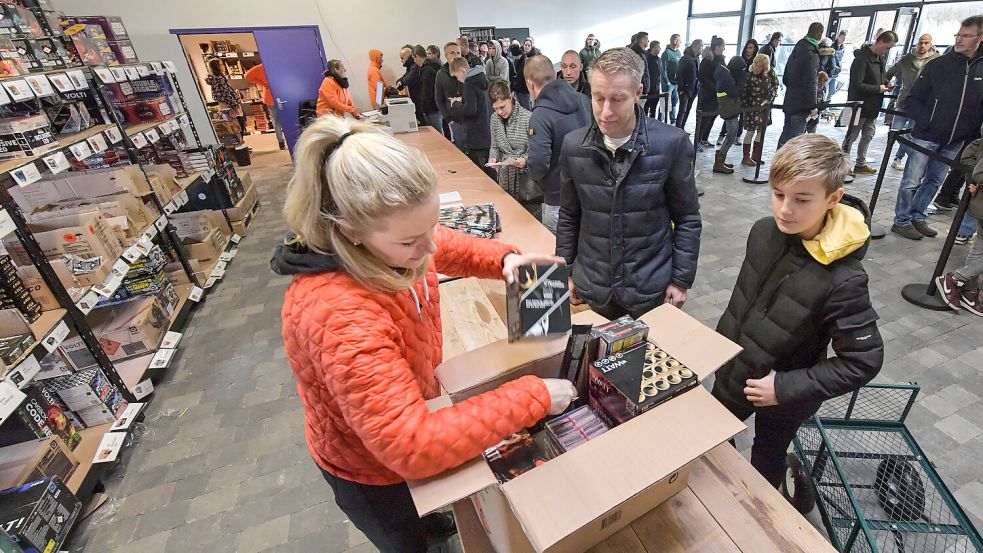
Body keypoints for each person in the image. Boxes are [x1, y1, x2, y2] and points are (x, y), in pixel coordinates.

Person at [273, 116, 575, 553]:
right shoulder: (337, 314)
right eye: (413, 240)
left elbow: (450, 247)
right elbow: (410, 444)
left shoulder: (397, 243)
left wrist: (505, 260)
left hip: (403, 413)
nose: (429, 249)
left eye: (429, 227)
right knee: (402, 538)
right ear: (348, 230)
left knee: (423, 512)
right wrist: (533, 396)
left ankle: (428, 524)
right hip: (369, 470)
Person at [712, 133, 883, 489]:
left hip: (781, 393)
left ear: (833, 198)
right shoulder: (763, 232)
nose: (784, 210)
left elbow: (863, 360)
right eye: (778, 195)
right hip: (732, 368)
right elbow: (748, 302)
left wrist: (785, 387)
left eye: (802, 199)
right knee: (713, 440)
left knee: (767, 457)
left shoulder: (844, 279)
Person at [557, 47, 701, 319]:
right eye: (598, 98)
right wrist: (565, 271)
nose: (605, 112)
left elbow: (688, 218)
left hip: (649, 288)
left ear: (638, 93)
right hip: (593, 285)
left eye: (617, 99)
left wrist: (680, 280)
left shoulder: (672, 144)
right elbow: (569, 215)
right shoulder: (573, 145)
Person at [892, 16, 983, 241]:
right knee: (911, 181)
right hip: (927, 135)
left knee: (934, 181)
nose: (959, 39)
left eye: (966, 35)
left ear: (980, 38)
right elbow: (912, 99)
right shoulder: (940, 64)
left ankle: (917, 215)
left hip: (956, 140)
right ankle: (901, 220)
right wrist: (927, 122)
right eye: (958, 35)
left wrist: (970, 134)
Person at [525, 54, 592, 233]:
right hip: (588, 194)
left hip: (557, 199)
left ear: (530, 84)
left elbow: (539, 164)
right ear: (555, 75)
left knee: (560, 255)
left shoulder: (540, 115)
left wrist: (535, 176)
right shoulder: (583, 100)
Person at [842, 31, 898, 176]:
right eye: (886, 47)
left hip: (872, 106)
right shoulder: (861, 59)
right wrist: (878, 88)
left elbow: (880, 77)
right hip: (858, 105)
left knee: (868, 135)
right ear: (879, 42)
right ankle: (843, 167)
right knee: (851, 136)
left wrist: (886, 83)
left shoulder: (880, 59)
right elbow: (857, 85)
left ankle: (860, 164)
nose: (887, 51)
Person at [885, 34, 939, 170]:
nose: (923, 46)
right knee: (895, 131)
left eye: (926, 43)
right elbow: (889, 72)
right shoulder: (907, 59)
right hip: (904, 100)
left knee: (911, 133)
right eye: (921, 42)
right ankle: (912, 156)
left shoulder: (936, 60)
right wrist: (887, 84)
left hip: (922, 104)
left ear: (931, 44)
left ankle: (900, 158)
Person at [487, 81, 536, 214]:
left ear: (510, 98)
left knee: (526, 218)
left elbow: (536, 149)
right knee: (507, 215)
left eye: (502, 107)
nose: (499, 112)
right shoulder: (494, 119)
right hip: (504, 177)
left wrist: (525, 160)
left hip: (525, 178)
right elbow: (494, 146)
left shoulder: (529, 118)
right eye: (495, 108)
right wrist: (493, 158)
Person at [777, 23, 823, 149]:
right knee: (795, 141)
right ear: (820, 35)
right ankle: (788, 167)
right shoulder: (812, 54)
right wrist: (813, 105)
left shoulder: (796, 50)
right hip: (801, 104)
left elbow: (785, 77)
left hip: (790, 100)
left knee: (785, 135)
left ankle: (777, 164)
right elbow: (811, 82)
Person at [448, 57, 492, 170]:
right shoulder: (480, 79)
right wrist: (463, 101)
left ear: (462, 71)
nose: (457, 79)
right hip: (485, 131)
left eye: (456, 75)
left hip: (475, 135)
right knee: (487, 167)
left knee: (480, 170)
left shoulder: (469, 83)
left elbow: (470, 110)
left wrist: (455, 104)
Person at [741, 53, 778, 166]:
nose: (756, 68)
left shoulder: (770, 73)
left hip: (765, 108)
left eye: (760, 66)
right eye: (755, 65)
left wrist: (769, 99)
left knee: (761, 132)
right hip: (752, 108)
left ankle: (755, 156)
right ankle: (746, 157)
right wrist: (746, 107)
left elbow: (775, 86)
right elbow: (744, 93)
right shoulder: (749, 75)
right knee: (750, 132)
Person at [712, 53, 743, 174]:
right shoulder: (726, 77)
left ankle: (720, 159)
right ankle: (719, 162)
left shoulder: (724, 73)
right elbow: (734, 92)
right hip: (729, 109)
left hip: (728, 108)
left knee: (730, 136)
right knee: (731, 136)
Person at [242, 63, 286, 150]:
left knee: (276, 121)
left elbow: (247, 76)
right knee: (285, 120)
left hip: (270, 98)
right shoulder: (279, 65)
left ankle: (281, 142)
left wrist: (261, 83)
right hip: (281, 96)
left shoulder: (261, 67)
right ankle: (288, 140)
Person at [206, 59, 246, 138]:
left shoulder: (218, 78)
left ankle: (240, 143)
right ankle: (239, 144)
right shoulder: (219, 79)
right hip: (229, 106)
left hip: (228, 105)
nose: (223, 66)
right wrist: (234, 105)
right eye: (221, 64)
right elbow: (225, 94)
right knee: (238, 125)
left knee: (237, 124)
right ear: (217, 67)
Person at [697, 38, 725, 149]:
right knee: (704, 119)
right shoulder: (708, 60)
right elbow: (702, 76)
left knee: (712, 117)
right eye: (723, 46)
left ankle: (704, 139)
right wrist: (714, 88)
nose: (724, 48)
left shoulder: (720, 59)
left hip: (717, 95)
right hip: (708, 95)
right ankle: (697, 140)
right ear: (717, 47)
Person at [435, 42, 463, 142]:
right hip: (454, 120)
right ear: (446, 55)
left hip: (470, 119)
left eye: (458, 53)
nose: (456, 55)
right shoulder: (441, 74)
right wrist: (448, 119)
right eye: (452, 53)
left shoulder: (468, 70)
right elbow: (439, 99)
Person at [675, 39, 702, 131]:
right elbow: (679, 74)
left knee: (687, 109)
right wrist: (681, 89)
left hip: (693, 89)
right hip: (685, 90)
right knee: (682, 110)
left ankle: (682, 128)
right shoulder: (685, 58)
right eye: (701, 46)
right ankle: (678, 129)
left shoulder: (697, 59)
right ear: (696, 47)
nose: (702, 49)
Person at [418, 46, 443, 132]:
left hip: (432, 106)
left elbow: (427, 90)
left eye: (429, 53)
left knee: (437, 131)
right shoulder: (436, 67)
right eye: (427, 53)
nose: (427, 55)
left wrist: (423, 106)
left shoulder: (428, 69)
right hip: (436, 105)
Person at [395, 46, 422, 120]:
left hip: (421, 104)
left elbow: (407, 80)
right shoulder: (410, 67)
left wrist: (401, 83)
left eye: (402, 58)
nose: (401, 61)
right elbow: (401, 80)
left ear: (409, 57)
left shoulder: (415, 67)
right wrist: (400, 84)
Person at [662, 34, 683, 124]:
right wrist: (667, 81)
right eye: (679, 41)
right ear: (675, 41)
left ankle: (672, 120)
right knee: (665, 103)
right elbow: (663, 68)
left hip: (676, 83)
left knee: (674, 102)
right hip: (668, 83)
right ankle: (661, 120)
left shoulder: (678, 52)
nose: (681, 42)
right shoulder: (667, 53)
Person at [513, 39, 539, 109]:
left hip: (526, 88)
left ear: (531, 47)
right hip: (518, 87)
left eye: (529, 45)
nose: (527, 47)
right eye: (525, 45)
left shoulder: (534, 58)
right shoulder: (519, 57)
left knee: (527, 108)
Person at [627, 32, 652, 97]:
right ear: (642, 40)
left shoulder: (641, 53)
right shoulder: (636, 53)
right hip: (638, 90)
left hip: (641, 88)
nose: (648, 41)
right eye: (647, 39)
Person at [817, 37, 840, 103]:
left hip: (819, 74)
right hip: (828, 75)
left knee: (821, 92)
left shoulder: (816, 51)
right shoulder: (831, 53)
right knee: (829, 92)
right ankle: (825, 108)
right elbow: (833, 66)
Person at [645, 40, 663, 119]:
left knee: (654, 108)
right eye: (658, 47)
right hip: (648, 87)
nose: (660, 49)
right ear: (653, 48)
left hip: (656, 87)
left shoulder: (659, 60)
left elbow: (661, 72)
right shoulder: (646, 59)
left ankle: (652, 123)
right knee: (646, 107)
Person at [828, 30, 848, 102]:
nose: (843, 40)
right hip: (830, 71)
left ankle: (826, 107)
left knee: (832, 91)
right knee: (826, 90)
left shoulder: (843, 48)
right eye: (842, 38)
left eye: (844, 39)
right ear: (838, 37)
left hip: (836, 71)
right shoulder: (832, 46)